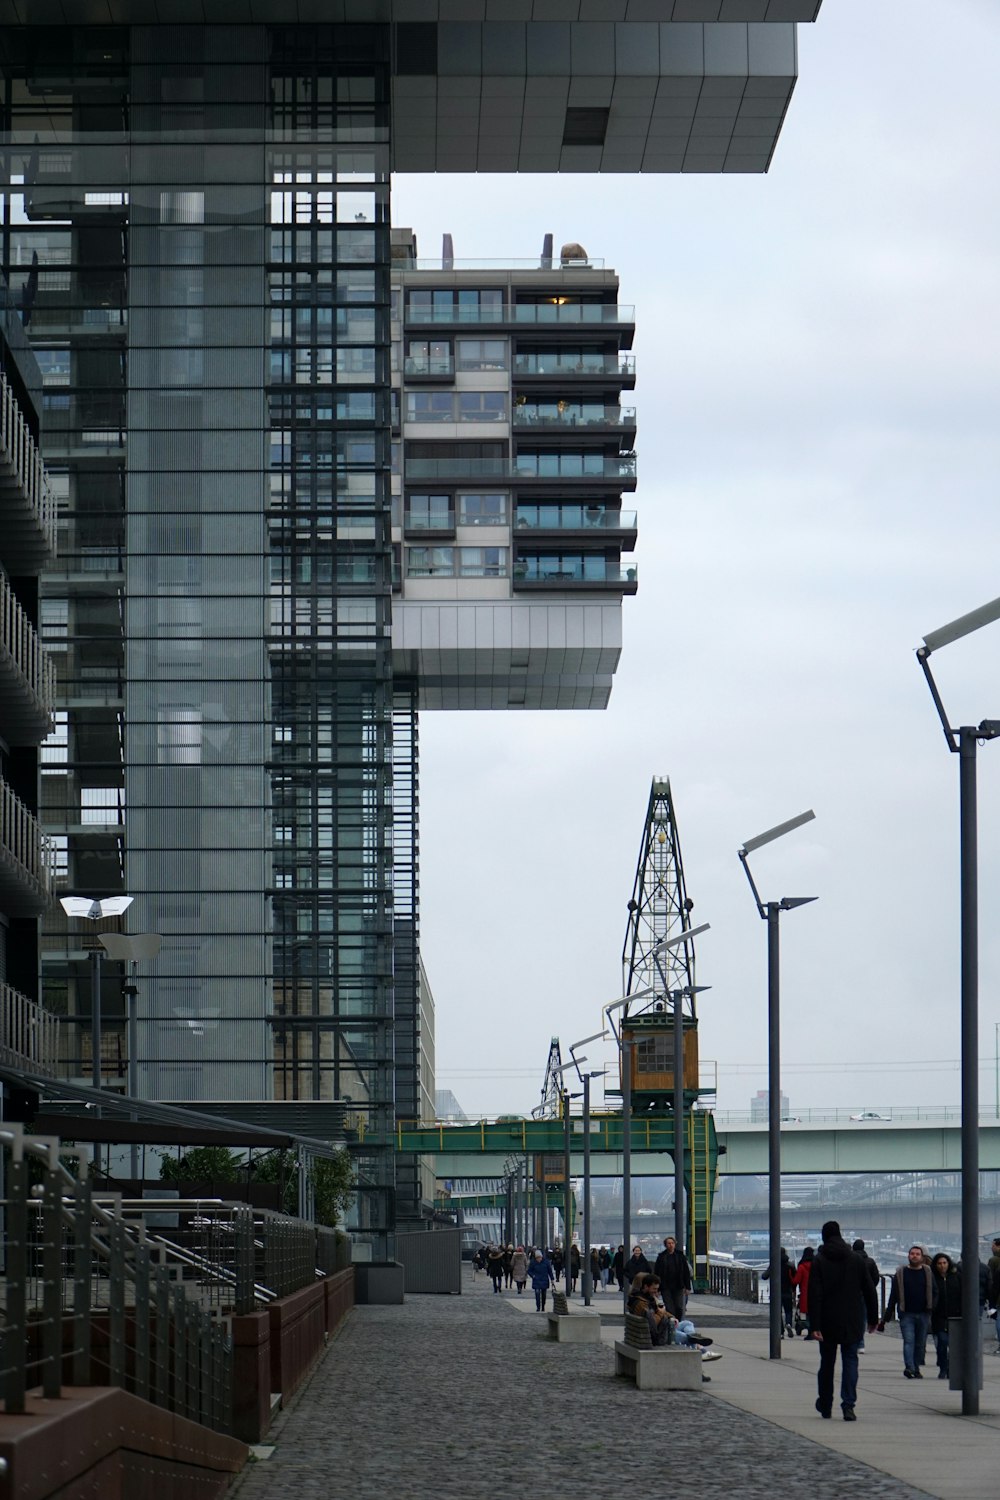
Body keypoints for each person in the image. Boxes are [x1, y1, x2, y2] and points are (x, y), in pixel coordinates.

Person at [809, 1219, 878, 1422]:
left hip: (827, 1320)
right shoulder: (856, 1259)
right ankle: (848, 1405)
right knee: (850, 1361)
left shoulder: (819, 1260)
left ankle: (825, 1404)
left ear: (824, 1237)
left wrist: (814, 1325)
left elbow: (814, 1294)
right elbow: (869, 1290)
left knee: (827, 1363)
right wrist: (873, 1318)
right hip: (852, 1319)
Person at [878, 1244, 938, 1378]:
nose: (914, 1256)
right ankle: (909, 1367)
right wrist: (886, 1318)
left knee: (920, 1344)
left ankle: (916, 1368)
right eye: (912, 1254)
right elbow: (893, 1296)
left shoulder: (928, 1272)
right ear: (908, 1256)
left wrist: (931, 1307)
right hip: (906, 1314)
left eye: (917, 1254)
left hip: (924, 1313)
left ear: (922, 1257)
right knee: (909, 1341)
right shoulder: (901, 1273)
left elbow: (935, 1292)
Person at [930, 1252, 961, 1380]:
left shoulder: (957, 1277)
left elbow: (963, 1295)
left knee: (954, 1346)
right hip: (939, 1317)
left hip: (956, 1316)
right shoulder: (933, 1279)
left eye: (944, 1263)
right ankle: (943, 1367)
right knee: (942, 1342)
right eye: (939, 1263)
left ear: (948, 1263)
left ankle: (950, 1368)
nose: (942, 1266)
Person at [653, 1234, 692, 1318]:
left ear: (675, 1244)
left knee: (679, 1307)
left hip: (678, 1285)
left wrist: (687, 1287)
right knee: (669, 1307)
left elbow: (686, 1272)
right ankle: (671, 1323)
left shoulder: (680, 1256)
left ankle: (677, 1322)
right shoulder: (661, 1257)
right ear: (665, 1245)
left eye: (672, 1243)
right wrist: (656, 1288)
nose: (671, 1245)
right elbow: (657, 1273)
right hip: (665, 1286)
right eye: (669, 1243)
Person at [851, 1239, 879, 1350]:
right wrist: (870, 1288)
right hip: (866, 1293)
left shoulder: (850, 1261)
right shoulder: (870, 1262)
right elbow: (876, 1278)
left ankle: (855, 1341)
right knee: (862, 1318)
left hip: (852, 1293)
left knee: (853, 1317)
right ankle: (861, 1343)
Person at [762, 1247, 795, 1338]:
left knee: (777, 1312)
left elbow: (764, 1276)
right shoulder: (790, 1265)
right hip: (788, 1291)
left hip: (776, 1293)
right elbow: (795, 1279)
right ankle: (788, 1323)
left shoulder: (774, 1265)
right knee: (788, 1311)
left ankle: (780, 1332)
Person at [792, 1247, 815, 1337]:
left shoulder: (802, 1267)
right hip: (815, 1292)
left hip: (805, 1293)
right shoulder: (816, 1265)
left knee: (805, 1314)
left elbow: (796, 1281)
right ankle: (813, 1329)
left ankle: (808, 1329)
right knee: (814, 1312)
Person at [529, 1247, 555, 1311]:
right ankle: (538, 1307)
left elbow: (550, 1271)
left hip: (544, 1280)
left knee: (544, 1295)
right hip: (536, 1280)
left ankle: (543, 1306)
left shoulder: (546, 1262)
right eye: (537, 1258)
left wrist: (552, 1279)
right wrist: (533, 1276)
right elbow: (529, 1271)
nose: (538, 1259)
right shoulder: (533, 1262)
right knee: (537, 1294)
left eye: (539, 1257)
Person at [987, 1236, 1000, 1354]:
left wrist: (991, 1301)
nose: (992, 1247)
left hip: (998, 1298)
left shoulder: (993, 1260)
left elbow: (991, 1281)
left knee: (999, 1322)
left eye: (993, 1245)